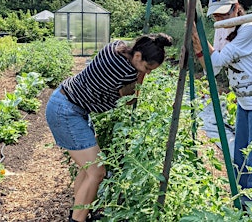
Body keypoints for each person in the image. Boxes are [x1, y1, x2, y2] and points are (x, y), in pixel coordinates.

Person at [45, 33, 173, 222]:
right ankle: (77, 219)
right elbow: (130, 99)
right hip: (66, 111)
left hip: (68, 102)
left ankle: (78, 212)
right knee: (97, 172)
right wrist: (140, 77)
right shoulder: (126, 72)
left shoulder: (116, 47)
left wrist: (141, 70)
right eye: (147, 68)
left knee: (86, 168)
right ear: (137, 56)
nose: (147, 73)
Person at [192, 0, 252, 204]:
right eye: (216, 16)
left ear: (236, 7)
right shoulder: (221, 30)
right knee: (241, 160)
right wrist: (199, 48)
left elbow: (218, 59)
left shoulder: (249, 27)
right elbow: (212, 69)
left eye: (224, 14)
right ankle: (241, 206)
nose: (220, 20)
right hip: (244, 103)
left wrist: (199, 45)